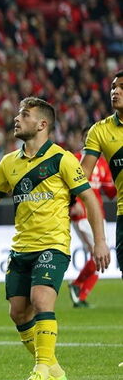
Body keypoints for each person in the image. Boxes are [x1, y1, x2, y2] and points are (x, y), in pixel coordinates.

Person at [0, 97, 111, 380]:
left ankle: (40, 370)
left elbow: (89, 199)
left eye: (24, 115)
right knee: (18, 313)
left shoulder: (62, 159)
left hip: (53, 244)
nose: (16, 119)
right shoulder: (9, 162)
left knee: (41, 301)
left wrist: (100, 241)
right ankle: (52, 367)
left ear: (42, 124)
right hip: (21, 247)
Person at [78, 71, 123, 279]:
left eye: (122, 87)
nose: (116, 91)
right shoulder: (99, 131)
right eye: (113, 87)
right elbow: (81, 175)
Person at [68, 137, 115, 307]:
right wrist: (74, 203)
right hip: (82, 216)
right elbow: (66, 184)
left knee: (99, 256)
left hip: (97, 216)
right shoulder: (73, 159)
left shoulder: (103, 164)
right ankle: (77, 286)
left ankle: (79, 294)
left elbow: (111, 191)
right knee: (100, 254)